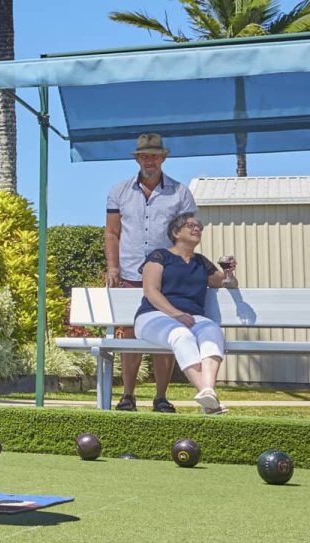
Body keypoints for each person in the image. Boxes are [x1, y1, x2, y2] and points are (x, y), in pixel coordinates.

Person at [103, 134, 198, 413]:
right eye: (145, 156)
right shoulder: (118, 191)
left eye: (155, 156)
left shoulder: (180, 193)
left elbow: (188, 235)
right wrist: (113, 267)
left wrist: (179, 267)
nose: (150, 161)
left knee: (165, 334)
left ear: (163, 158)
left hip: (167, 278)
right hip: (131, 273)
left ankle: (161, 397)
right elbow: (111, 232)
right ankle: (127, 396)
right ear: (137, 159)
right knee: (130, 334)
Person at [135, 213, 239, 415]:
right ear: (175, 232)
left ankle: (207, 392)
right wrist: (175, 314)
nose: (196, 229)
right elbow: (151, 291)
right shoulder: (159, 256)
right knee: (181, 336)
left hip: (191, 318)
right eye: (190, 225)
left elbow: (227, 284)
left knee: (212, 331)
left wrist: (229, 273)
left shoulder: (201, 262)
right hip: (154, 316)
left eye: (199, 226)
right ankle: (209, 397)